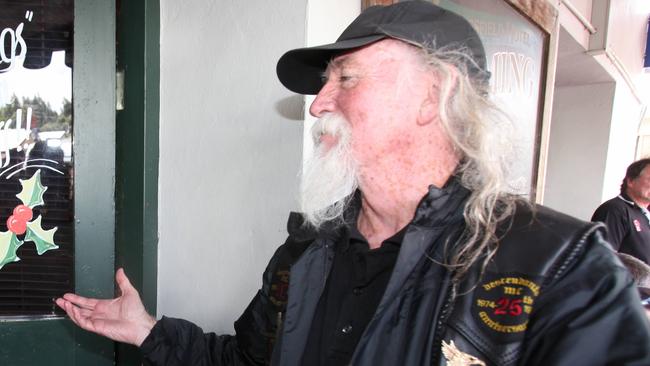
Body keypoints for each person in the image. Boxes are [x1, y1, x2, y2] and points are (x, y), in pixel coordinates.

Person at [56, 2, 650, 365]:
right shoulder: (309, 249)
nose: (318, 106)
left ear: (433, 95)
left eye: (346, 77)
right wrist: (148, 332)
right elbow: (246, 360)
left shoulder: (560, 267)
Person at [592, 158, 650, 264]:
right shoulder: (615, 209)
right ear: (631, 181)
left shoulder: (645, 214)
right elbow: (603, 257)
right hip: (627, 280)